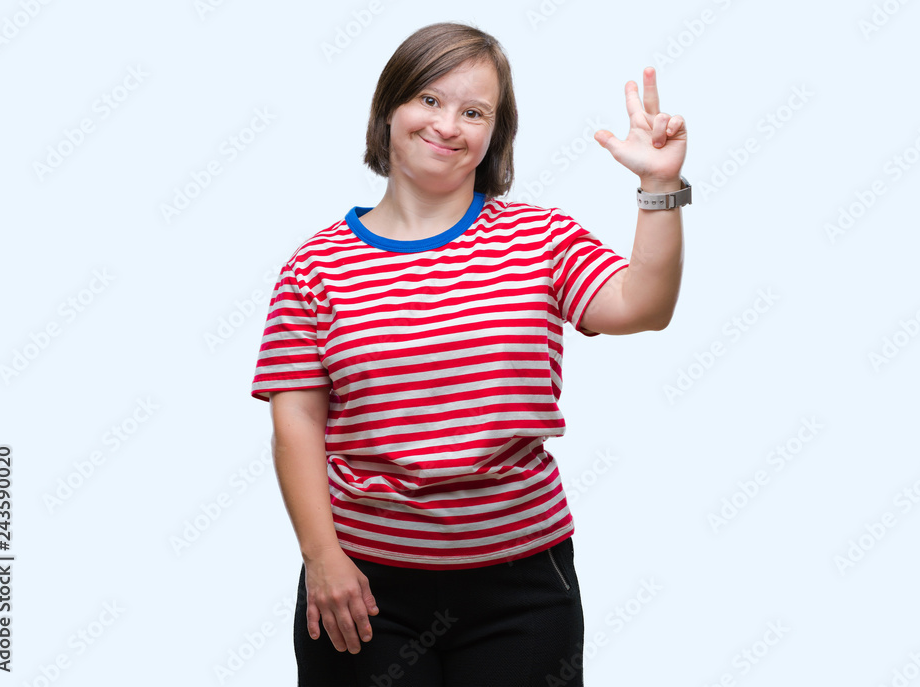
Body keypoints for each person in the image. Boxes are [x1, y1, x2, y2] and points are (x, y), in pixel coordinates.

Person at [250, 21, 688, 687]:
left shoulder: (539, 238)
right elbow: (297, 422)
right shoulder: (315, 267)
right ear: (388, 108)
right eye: (428, 99)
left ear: (494, 135)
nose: (447, 125)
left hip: (523, 586)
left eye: (474, 112)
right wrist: (322, 557)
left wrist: (660, 187)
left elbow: (642, 306)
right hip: (363, 586)